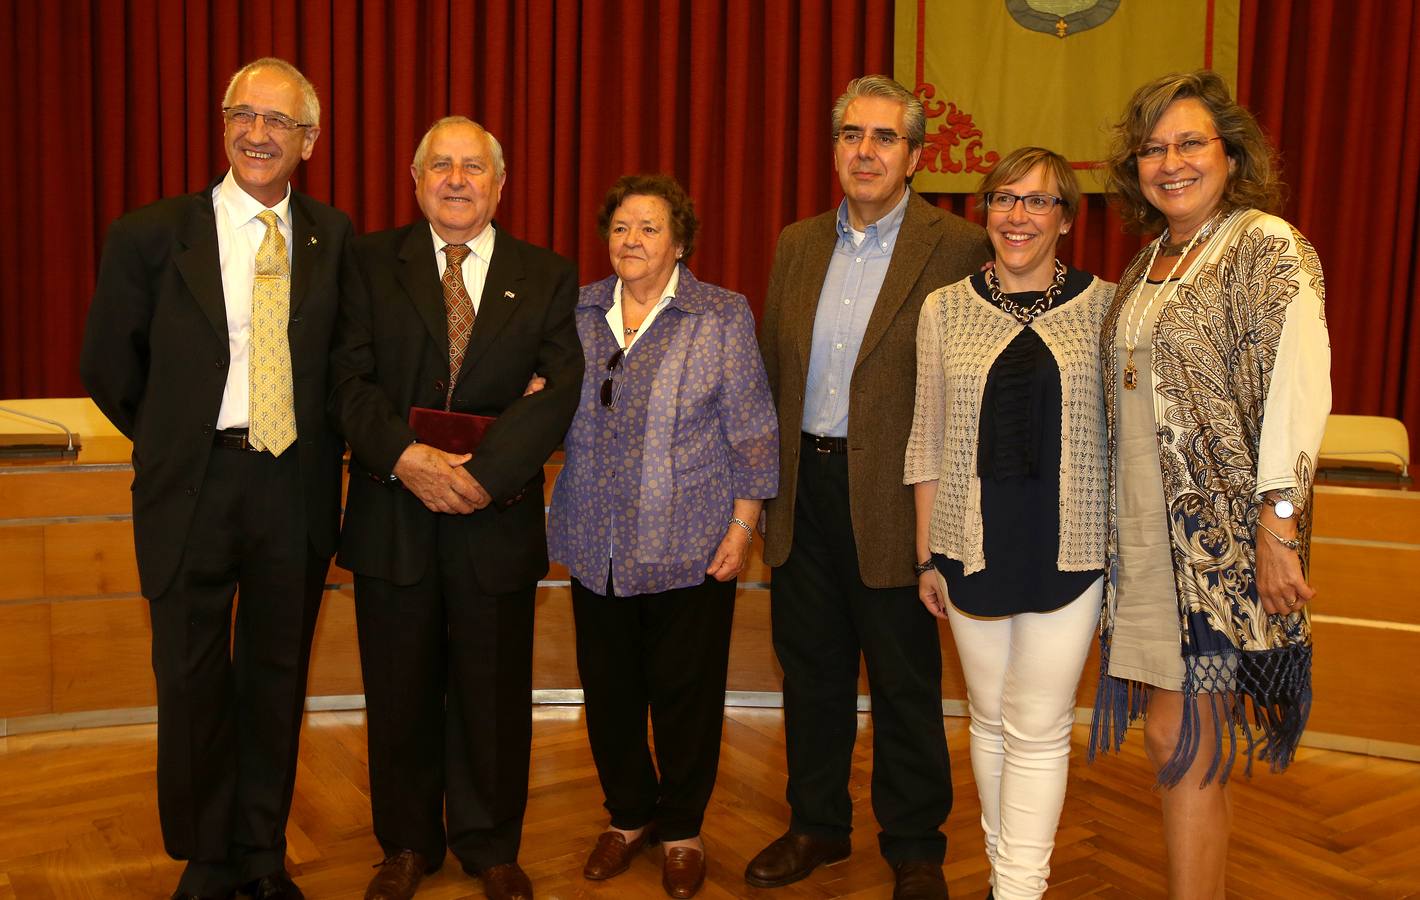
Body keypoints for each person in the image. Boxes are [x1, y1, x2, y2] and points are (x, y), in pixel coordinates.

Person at [79, 58, 351, 900]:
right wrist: (178, 439)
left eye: (277, 121)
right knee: (190, 679)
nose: (257, 132)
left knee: (275, 676)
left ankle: (262, 853)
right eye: (243, 114)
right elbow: (108, 368)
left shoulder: (334, 238)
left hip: (292, 486)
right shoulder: (151, 233)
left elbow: (350, 364)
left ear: (308, 140)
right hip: (192, 484)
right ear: (223, 125)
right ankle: (206, 855)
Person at [1089, 70, 1330, 898]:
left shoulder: (1267, 246)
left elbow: (1299, 394)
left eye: (1190, 143)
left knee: (1181, 738)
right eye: (1153, 149)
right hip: (1147, 546)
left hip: (1224, 548)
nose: (1171, 163)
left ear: (1230, 154)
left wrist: (1281, 528)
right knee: (1176, 744)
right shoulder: (1152, 258)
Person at [750, 74, 991, 900]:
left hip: (896, 495)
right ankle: (815, 825)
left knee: (903, 679)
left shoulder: (956, 249)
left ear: (916, 155)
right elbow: (771, 374)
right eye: (852, 135)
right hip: (801, 492)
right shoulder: (797, 242)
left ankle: (916, 845)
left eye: (884, 138)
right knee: (810, 670)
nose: (865, 151)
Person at [327, 116, 581, 900]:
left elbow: (559, 389)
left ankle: (490, 845)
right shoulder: (368, 263)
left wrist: (486, 473)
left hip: (492, 516)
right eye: (441, 165)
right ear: (415, 181)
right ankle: (405, 845)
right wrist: (407, 459)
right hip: (392, 511)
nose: (457, 179)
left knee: (493, 691)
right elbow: (345, 379)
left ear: (500, 185)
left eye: (474, 167)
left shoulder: (546, 274)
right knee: (398, 690)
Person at [547, 174, 778, 899]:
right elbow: (545, 399)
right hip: (595, 544)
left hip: (691, 546)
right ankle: (626, 817)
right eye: (620, 227)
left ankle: (681, 828)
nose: (632, 241)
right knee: (610, 692)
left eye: (649, 228)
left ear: (680, 241)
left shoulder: (719, 315)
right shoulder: (579, 311)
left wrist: (743, 527)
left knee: (685, 695)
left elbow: (753, 430)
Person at [905, 147, 1110, 900]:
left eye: (1038, 202)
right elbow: (926, 434)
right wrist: (928, 555)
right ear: (984, 210)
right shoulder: (943, 308)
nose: (1017, 216)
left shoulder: (1108, 305)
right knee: (988, 720)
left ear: (1065, 218)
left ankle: (1021, 888)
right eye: (1004, 199)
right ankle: (1003, 877)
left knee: (1038, 723)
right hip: (967, 543)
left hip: (1071, 545)